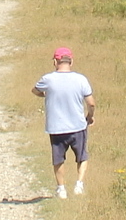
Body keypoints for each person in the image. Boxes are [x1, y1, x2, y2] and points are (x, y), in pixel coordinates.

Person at [32, 47, 95, 199]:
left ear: (55, 61)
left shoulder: (48, 79)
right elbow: (91, 103)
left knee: (58, 159)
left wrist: (46, 94)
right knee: (82, 156)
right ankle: (79, 185)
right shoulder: (81, 79)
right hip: (78, 126)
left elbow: (35, 90)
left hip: (56, 127)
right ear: (71, 61)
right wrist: (90, 116)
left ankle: (61, 189)